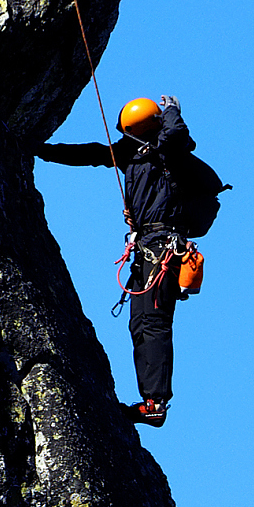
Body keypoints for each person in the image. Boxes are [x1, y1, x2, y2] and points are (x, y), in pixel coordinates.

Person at [38, 95, 195, 427]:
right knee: (140, 323)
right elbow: (93, 154)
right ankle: (151, 400)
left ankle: (155, 403)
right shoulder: (132, 154)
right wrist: (43, 151)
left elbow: (177, 135)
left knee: (152, 322)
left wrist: (171, 112)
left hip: (162, 246)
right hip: (148, 248)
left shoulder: (168, 151)